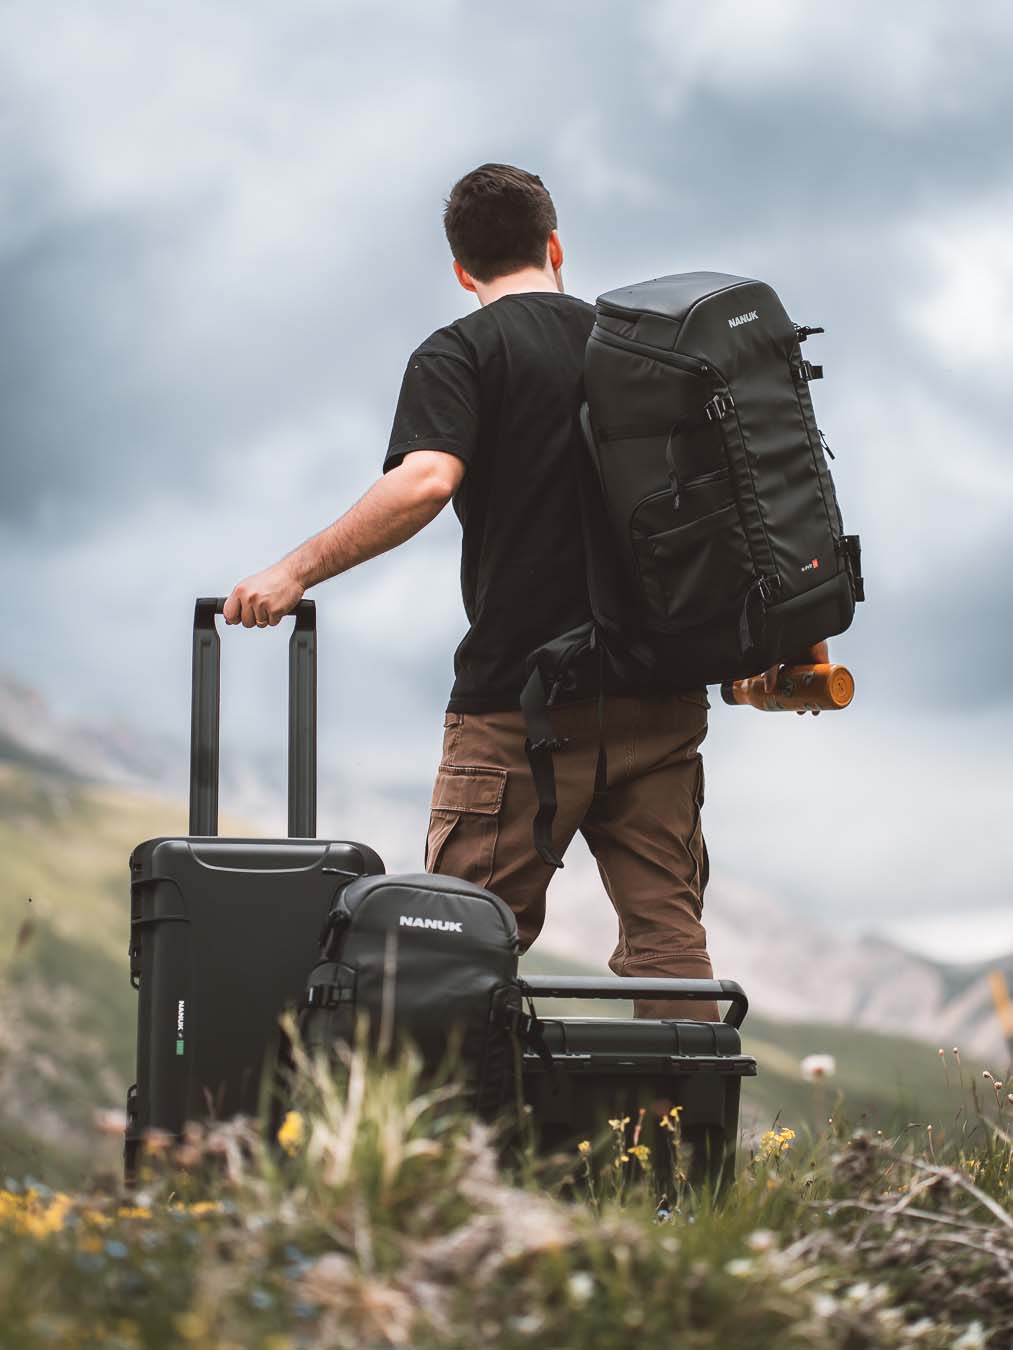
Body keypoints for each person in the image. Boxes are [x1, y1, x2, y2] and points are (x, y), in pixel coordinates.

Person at [224, 162, 825, 1020]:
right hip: (657, 701)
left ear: (462, 269)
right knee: (666, 944)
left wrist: (291, 570)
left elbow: (426, 481)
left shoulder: (462, 350)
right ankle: (680, 1147)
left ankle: (454, 1151)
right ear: (555, 246)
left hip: (519, 711)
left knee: (457, 946)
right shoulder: (647, 351)